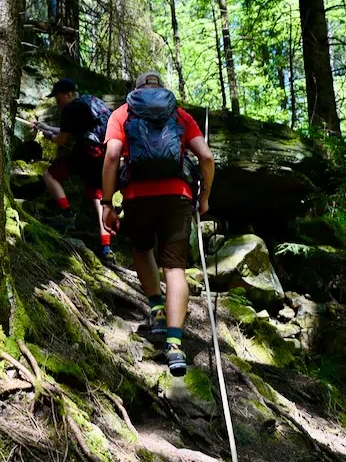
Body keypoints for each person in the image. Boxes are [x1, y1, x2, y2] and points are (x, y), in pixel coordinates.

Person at [101, 71, 215, 377]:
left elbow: (111, 156)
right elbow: (206, 157)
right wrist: (204, 197)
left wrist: (107, 203)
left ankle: (156, 309)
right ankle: (175, 344)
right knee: (175, 268)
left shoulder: (123, 113)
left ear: (136, 90)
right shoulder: (179, 114)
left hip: (137, 196)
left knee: (141, 249)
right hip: (178, 196)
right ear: (161, 90)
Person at [31, 78, 116, 266]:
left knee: (49, 175)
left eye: (58, 97)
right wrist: (45, 126)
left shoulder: (70, 109)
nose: (57, 102)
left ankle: (67, 215)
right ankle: (106, 248)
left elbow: (63, 139)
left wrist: (49, 136)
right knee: (99, 197)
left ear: (67, 94)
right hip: (105, 154)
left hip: (86, 153)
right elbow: (72, 131)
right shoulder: (92, 102)